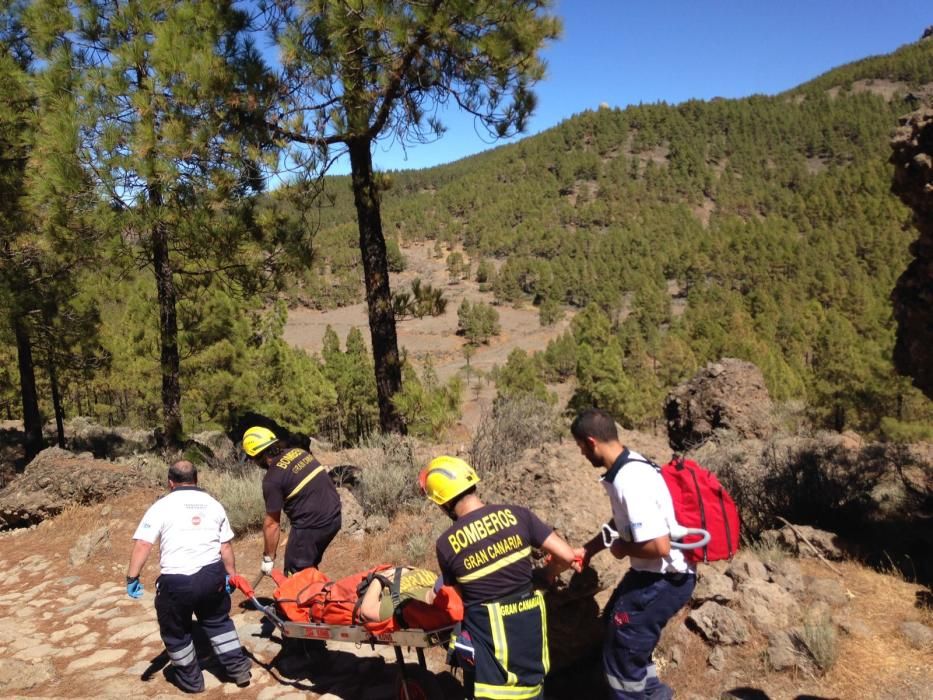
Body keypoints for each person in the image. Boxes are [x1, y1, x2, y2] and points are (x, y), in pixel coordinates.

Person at [421, 455, 580, 700]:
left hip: (490, 667)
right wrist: (547, 574)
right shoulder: (518, 515)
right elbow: (568, 556)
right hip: (530, 652)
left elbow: (460, 597)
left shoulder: (446, 544)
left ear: (443, 503)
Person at [570, 409, 696, 700]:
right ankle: (654, 694)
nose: (581, 454)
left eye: (580, 447)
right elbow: (623, 521)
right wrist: (589, 549)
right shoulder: (628, 465)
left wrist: (621, 549)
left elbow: (659, 546)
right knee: (618, 631)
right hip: (650, 575)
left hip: (664, 579)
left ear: (591, 442)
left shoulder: (631, 479)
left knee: (623, 652)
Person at [126, 460, 251, 693]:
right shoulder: (213, 504)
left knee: (176, 631)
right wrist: (231, 575)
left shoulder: (162, 506)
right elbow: (225, 546)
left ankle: (192, 681)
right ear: (196, 479)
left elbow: (144, 543)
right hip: (212, 575)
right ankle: (238, 669)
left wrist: (132, 577)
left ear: (170, 482)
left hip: (176, 581)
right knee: (218, 622)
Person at [241, 426, 342, 576]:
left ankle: (310, 597)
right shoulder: (299, 452)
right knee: (309, 568)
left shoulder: (272, 479)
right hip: (334, 518)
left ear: (257, 456)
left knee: (295, 575)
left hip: (312, 526)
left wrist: (268, 558)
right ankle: (316, 593)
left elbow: (272, 525)